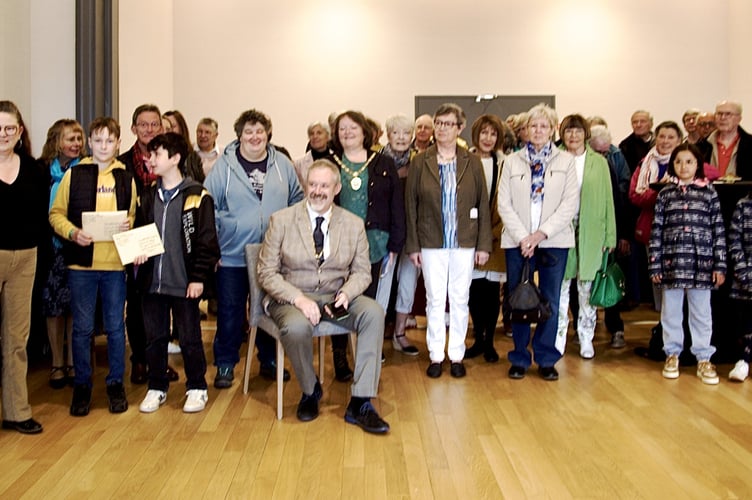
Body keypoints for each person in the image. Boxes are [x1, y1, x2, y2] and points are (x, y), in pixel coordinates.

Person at [257, 159, 389, 434]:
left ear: (337, 188)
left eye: (324, 186)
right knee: (295, 326)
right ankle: (309, 390)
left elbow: (363, 272)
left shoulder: (352, 224)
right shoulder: (281, 220)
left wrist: (347, 292)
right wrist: (298, 299)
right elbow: (266, 273)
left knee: (374, 313)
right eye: (312, 184)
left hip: (336, 295)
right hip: (291, 296)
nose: (317, 191)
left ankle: (361, 401)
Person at [204, 109, 303, 389]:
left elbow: (297, 198)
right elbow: (208, 206)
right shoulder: (223, 167)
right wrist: (224, 234)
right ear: (239, 136)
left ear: (268, 134)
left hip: (272, 255)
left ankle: (269, 359)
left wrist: (286, 234)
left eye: (259, 131)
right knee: (231, 310)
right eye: (248, 131)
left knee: (269, 308)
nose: (254, 136)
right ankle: (225, 363)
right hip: (232, 253)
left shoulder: (282, 164)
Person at [50, 116, 137, 416]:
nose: (103, 146)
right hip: (81, 268)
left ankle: (115, 384)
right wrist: (73, 233)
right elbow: (56, 214)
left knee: (115, 328)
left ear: (118, 143)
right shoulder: (74, 176)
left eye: (109, 141)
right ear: (89, 142)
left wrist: (129, 226)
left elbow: (135, 217)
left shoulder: (126, 178)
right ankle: (83, 386)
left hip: (114, 267)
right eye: (98, 140)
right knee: (83, 329)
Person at [405, 103, 492, 379]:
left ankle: (456, 354)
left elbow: (483, 203)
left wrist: (483, 244)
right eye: (438, 123)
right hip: (431, 241)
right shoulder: (420, 161)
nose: (442, 128)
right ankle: (435, 355)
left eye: (448, 123)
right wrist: (414, 245)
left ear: (459, 128)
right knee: (434, 299)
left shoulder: (471, 161)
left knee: (459, 298)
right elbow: (411, 206)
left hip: (465, 241)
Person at [134, 133, 220, 413]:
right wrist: (135, 250)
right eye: (151, 154)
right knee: (154, 338)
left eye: (157, 154)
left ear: (175, 159)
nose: (151, 160)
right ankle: (156, 386)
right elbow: (140, 231)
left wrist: (198, 278)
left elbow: (207, 242)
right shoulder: (146, 196)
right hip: (153, 284)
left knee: (190, 337)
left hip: (184, 284)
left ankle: (196, 386)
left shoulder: (197, 196)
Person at [498, 103, 579, 381]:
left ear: (553, 129)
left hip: (553, 240)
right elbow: (503, 203)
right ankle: (519, 356)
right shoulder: (511, 161)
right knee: (518, 299)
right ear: (525, 130)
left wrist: (540, 234)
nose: (538, 130)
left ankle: (546, 357)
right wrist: (524, 237)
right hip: (516, 241)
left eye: (544, 125)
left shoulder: (566, 162)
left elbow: (570, 204)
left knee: (551, 300)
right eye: (533, 125)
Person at [329, 111, 406, 360]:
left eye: (353, 127)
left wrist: (396, 241)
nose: (347, 132)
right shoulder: (330, 162)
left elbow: (396, 203)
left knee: (369, 299)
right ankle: (340, 354)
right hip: (338, 243)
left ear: (365, 131)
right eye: (342, 128)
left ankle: (367, 348)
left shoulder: (383, 162)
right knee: (338, 295)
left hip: (376, 242)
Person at [649, 143, 726, 384]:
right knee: (671, 312)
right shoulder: (665, 194)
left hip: (701, 265)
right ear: (672, 165)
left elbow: (718, 230)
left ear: (698, 165)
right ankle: (672, 353)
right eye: (679, 161)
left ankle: (704, 357)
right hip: (672, 264)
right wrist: (655, 264)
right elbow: (657, 232)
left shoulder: (709, 193)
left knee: (701, 313)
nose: (684, 166)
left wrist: (719, 265)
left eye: (689, 161)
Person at [0, 101, 48, 434]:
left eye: (8, 128)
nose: (3, 134)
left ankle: (17, 411)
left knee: (17, 339)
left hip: (25, 258)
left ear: (19, 131)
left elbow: (41, 220)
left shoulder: (34, 169)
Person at [117, 104, 171, 385]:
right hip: (135, 241)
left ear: (161, 127)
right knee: (137, 305)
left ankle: (158, 362)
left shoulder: (170, 158)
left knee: (161, 304)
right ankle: (139, 360)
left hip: (165, 239)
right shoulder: (123, 163)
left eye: (154, 124)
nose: (149, 129)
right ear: (133, 128)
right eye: (143, 124)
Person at [555, 114, 616, 359]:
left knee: (586, 287)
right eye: (568, 131)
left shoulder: (598, 162)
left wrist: (610, 236)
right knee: (560, 286)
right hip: (560, 229)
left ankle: (586, 336)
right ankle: (558, 336)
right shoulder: (553, 157)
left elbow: (608, 200)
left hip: (592, 229)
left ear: (586, 133)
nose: (573, 135)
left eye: (578, 131)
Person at [39, 119, 85, 388]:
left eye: (79, 139)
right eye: (71, 139)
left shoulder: (88, 170)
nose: (76, 144)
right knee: (53, 307)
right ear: (57, 142)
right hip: (51, 250)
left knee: (74, 307)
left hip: (78, 246)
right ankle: (57, 362)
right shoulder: (43, 171)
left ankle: (72, 361)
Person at [465, 114, 507, 363]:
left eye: (493, 133)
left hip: (496, 235)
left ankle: (489, 340)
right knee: (472, 290)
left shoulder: (504, 163)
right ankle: (478, 338)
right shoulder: (464, 160)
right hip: (468, 237)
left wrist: (493, 233)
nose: (488, 138)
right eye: (484, 133)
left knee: (491, 292)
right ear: (475, 135)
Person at [629, 121, 683, 313]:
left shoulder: (688, 161)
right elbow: (634, 195)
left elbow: (711, 173)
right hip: (653, 230)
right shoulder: (645, 162)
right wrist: (662, 192)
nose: (665, 141)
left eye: (671, 137)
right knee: (658, 280)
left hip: (682, 231)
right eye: (661, 136)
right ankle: (662, 326)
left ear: (679, 140)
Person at [382, 114, 420, 355]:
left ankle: (399, 333)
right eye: (396, 132)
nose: (401, 138)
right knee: (382, 287)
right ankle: (374, 336)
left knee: (407, 283)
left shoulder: (419, 162)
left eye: (406, 133)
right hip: (384, 236)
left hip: (412, 234)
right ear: (388, 135)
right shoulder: (376, 161)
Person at [727, 193, 752, 382]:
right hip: (745, 277)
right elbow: (735, 243)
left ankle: (745, 357)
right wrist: (744, 274)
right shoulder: (743, 205)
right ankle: (743, 360)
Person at [699, 101, 752, 179]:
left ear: (739, 119)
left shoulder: (749, 143)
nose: (723, 118)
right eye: (719, 114)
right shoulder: (702, 145)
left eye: (728, 114)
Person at [162, 110, 205, 183]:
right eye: (165, 128)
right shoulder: (158, 157)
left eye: (172, 126)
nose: (168, 131)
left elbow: (200, 183)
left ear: (181, 128)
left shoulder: (193, 158)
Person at [293, 121, 332, 186]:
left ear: (328, 136)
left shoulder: (338, 159)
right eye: (312, 134)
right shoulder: (298, 164)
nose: (315, 136)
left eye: (319, 133)